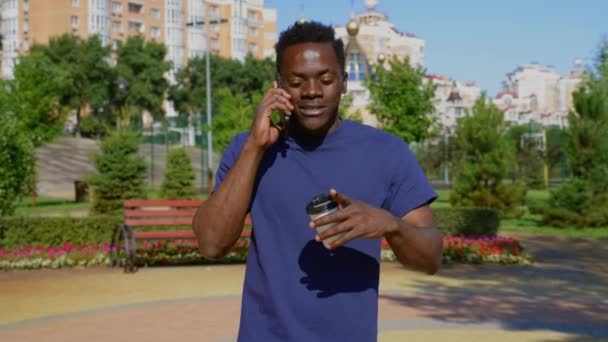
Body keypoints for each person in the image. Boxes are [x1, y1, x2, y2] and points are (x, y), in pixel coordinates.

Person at [192, 21, 443, 342]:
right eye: (296, 82)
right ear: (278, 87)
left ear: (344, 82)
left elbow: (431, 258)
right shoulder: (248, 149)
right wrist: (255, 147)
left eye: (325, 79)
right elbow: (211, 244)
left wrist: (390, 225)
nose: (311, 92)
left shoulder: (387, 152)